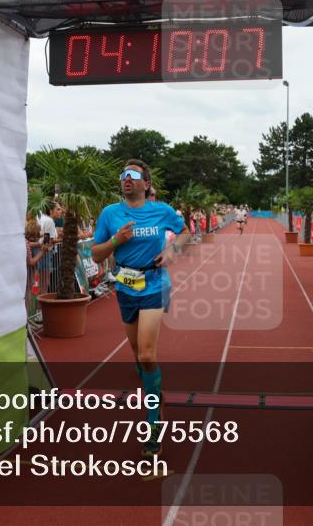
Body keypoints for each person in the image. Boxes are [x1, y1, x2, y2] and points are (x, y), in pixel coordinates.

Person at [91, 159, 189, 456]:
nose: (126, 179)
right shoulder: (110, 213)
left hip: (155, 283)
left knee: (147, 354)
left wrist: (172, 249)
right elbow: (96, 255)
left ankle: (153, 420)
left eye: (133, 175)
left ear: (146, 184)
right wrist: (115, 240)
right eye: (123, 175)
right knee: (137, 353)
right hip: (125, 286)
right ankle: (150, 380)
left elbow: (184, 232)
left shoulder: (161, 211)